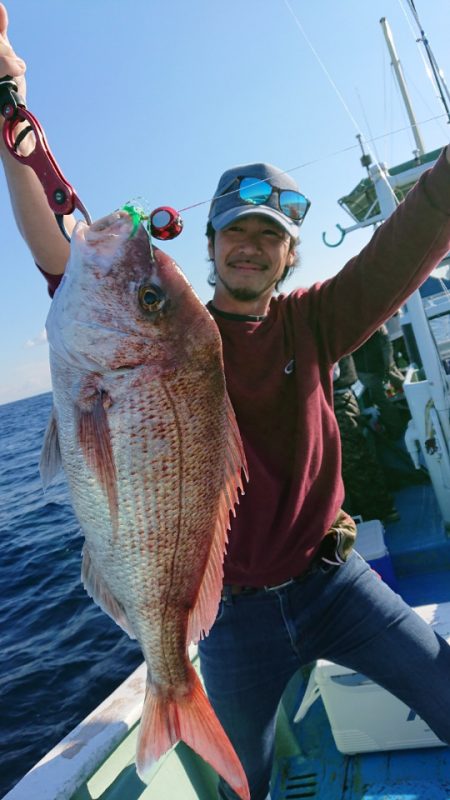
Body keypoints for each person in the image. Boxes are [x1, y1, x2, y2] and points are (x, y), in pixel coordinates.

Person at [2, 8, 450, 800]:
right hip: (228, 618)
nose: (250, 244)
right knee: (238, 782)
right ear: (208, 242)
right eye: (235, 229)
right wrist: (11, 105)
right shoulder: (170, 328)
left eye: (269, 236)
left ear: (287, 257)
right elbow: (58, 245)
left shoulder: (316, 320)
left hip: (335, 583)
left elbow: (414, 233)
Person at [332, 355, 399, 522]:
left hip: (339, 401)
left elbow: (333, 373)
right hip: (336, 399)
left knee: (356, 461)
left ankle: (380, 512)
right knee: (356, 460)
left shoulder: (318, 332)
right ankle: (378, 510)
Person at [353, 323, 407, 439]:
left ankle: (397, 432)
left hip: (369, 365)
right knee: (394, 382)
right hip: (379, 352)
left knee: (381, 399)